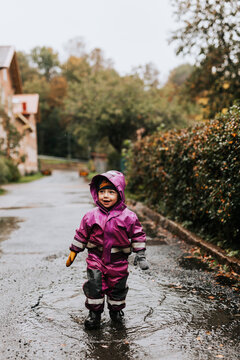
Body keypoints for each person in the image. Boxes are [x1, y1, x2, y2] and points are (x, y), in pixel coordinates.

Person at [66, 170, 149, 330]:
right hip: (96, 259)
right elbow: (82, 233)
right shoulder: (91, 216)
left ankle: (116, 311)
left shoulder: (129, 217)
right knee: (94, 286)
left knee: (117, 287)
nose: (105, 196)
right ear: (96, 194)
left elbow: (138, 234)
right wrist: (74, 251)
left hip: (118, 261)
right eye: (102, 192)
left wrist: (141, 254)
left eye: (111, 192)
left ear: (120, 194)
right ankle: (94, 314)